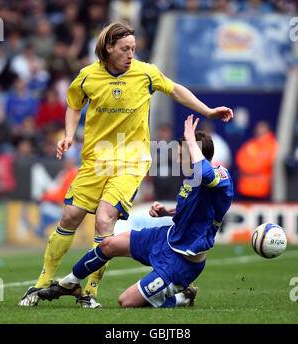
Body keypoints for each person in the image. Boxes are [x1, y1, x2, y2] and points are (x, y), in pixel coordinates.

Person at [19, 22, 233, 309]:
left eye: (133, 48)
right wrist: (69, 136)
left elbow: (175, 89)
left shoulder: (146, 73)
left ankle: (89, 292)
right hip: (96, 159)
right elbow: (73, 104)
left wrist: (207, 110)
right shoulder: (88, 76)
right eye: (125, 49)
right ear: (108, 48)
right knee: (70, 215)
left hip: (132, 160)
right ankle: (42, 283)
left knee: (105, 217)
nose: (131, 54)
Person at [37, 114, 234, 308]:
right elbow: (196, 211)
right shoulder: (192, 176)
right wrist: (168, 211)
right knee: (108, 244)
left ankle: (182, 298)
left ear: (194, 153)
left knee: (126, 302)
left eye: (182, 155)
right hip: (166, 238)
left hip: (182, 261)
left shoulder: (220, 177)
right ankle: (70, 283)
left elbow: (206, 174)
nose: (178, 159)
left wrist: (191, 141)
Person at [235, 120, 278, 201]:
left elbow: (265, 162)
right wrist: (251, 166)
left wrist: (252, 165)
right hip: (245, 187)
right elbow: (241, 160)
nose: (259, 129)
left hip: (263, 189)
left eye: (262, 127)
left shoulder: (272, 145)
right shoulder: (250, 144)